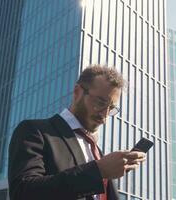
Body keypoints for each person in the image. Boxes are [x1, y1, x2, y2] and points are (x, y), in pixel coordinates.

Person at [8, 65, 146, 200]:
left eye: (111, 108)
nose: (104, 116)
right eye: (101, 102)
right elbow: (23, 192)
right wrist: (98, 171)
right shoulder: (35, 131)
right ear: (77, 92)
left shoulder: (96, 151)